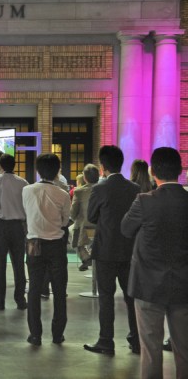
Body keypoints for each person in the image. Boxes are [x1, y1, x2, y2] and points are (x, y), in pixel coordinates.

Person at [120, 147, 188, 378]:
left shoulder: (144, 201)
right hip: (184, 285)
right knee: (185, 349)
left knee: (151, 348)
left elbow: (126, 229)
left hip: (148, 284)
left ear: (152, 171)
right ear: (180, 170)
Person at [84, 145, 141, 356]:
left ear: (103, 166)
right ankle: (136, 341)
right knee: (131, 296)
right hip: (129, 250)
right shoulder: (134, 188)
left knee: (106, 297)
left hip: (106, 249)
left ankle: (106, 341)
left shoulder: (99, 189)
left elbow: (91, 216)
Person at [23, 153, 71, 346]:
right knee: (59, 291)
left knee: (34, 289)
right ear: (58, 171)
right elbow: (65, 221)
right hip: (56, 245)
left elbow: (26, 214)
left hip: (34, 244)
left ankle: (35, 335)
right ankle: (57, 334)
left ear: (38, 170)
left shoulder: (27, 190)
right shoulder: (63, 194)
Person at [0, 153, 29, 311]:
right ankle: (20, 299)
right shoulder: (23, 183)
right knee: (19, 264)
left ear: (0, 166)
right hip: (18, 226)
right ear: (15, 165)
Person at [70, 164, 99, 271]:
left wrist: (74, 218)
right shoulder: (104, 188)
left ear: (85, 178)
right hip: (101, 226)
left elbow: (73, 213)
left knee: (74, 234)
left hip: (84, 226)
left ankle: (86, 257)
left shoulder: (79, 191)